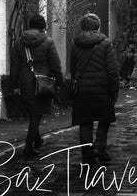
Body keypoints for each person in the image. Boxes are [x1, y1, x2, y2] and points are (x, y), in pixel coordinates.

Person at [10, 13, 64, 159]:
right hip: (42, 81)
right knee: (37, 113)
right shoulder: (48, 41)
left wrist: (13, 84)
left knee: (33, 110)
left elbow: (14, 66)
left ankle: (38, 139)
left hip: (25, 81)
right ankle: (29, 145)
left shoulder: (20, 42)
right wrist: (60, 81)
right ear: (43, 27)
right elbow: (55, 64)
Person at [70, 12, 119, 165]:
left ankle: (87, 153)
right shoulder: (105, 43)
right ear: (98, 26)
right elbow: (112, 69)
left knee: (85, 122)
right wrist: (114, 90)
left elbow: (73, 67)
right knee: (105, 118)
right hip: (102, 88)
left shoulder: (76, 43)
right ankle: (100, 146)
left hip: (83, 89)